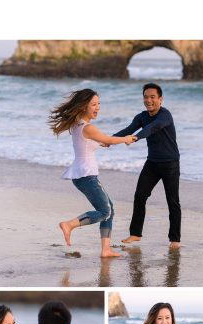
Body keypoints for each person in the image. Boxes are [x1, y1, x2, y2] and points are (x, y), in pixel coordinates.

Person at [49, 89, 137, 258]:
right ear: (83, 107)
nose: (98, 108)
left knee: (108, 208)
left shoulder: (78, 125)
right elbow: (108, 139)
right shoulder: (88, 127)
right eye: (94, 105)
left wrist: (103, 142)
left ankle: (106, 250)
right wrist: (126, 138)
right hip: (86, 175)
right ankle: (69, 225)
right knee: (105, 211)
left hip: (82, 175)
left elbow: (93, 142)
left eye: (99, 104)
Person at [113, 83, 182, 249]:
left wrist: (136, 138)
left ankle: (175, 240)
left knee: (172, 201)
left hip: (170, 163)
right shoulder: (141, 117)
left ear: (160, 99)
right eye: (146, 97)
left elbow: (153, 128)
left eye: (152, 97)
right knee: (140, 196)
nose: (149, 100)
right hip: (152, 163)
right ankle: (135, 234)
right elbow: (129, 129)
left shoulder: (165, 115)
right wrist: (109, 140)